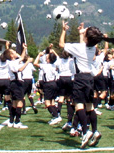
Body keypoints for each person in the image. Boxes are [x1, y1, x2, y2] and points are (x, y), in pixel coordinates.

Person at [59, 21, 104, 149]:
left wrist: (63, 30)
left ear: (87, 38)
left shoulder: (80, 48)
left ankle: (85, 132)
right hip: (89, 78)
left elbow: (61, 44)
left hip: (80, 79)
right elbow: (83, 46)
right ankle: (95, 131)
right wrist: (82, 33)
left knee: (78, 106)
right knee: (90, 107)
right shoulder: (93, 48)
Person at [34, 49, 61, 125]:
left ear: (49, 60)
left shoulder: (45, 66)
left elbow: (35, 63)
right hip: (54, 83)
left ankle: (56, 116)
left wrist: (39, 55)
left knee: (47, 103)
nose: (46, 57)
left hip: (48, 84)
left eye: (47, 57)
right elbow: (58, 58)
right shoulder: (55, 64)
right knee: (52, 102)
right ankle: (56, 115)